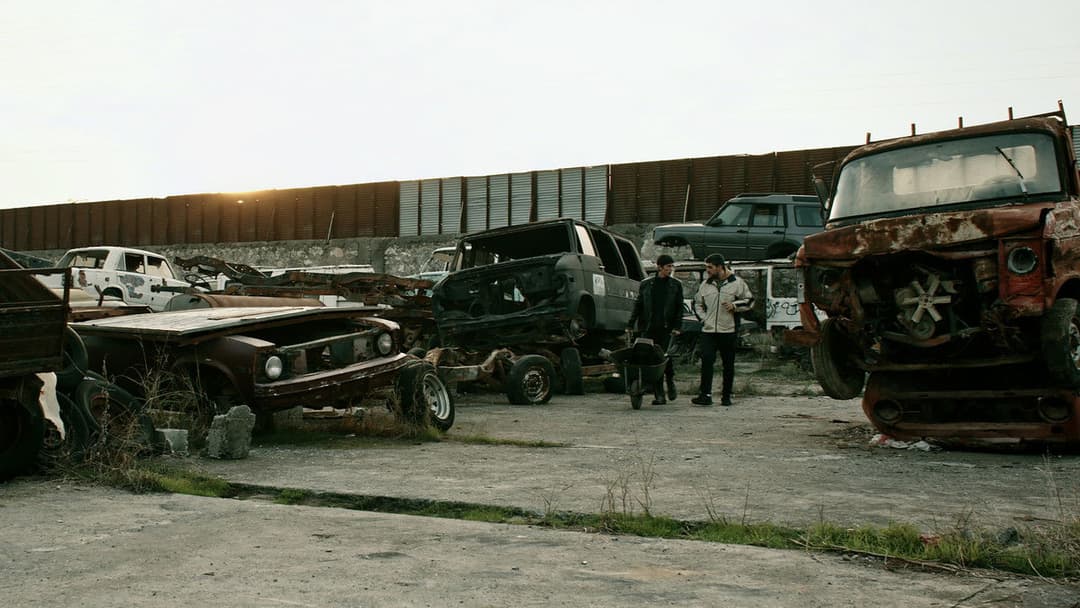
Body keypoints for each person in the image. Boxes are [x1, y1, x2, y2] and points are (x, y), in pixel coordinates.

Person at [692, 253, 754, 406]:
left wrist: (735, 306)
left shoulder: (737, 283)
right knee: (707, 360)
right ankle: (705, 395)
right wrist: (704, 319)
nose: (707, 270)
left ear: (720, 267)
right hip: (709, 331)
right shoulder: (705, 284)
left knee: (728, 364)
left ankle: (726, 396)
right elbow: (697, 303)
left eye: (710, 267)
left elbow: (749, 300)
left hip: (728, 330)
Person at [628, 254, 683, 405]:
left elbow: (679, 308)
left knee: (664, 358)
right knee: (653, 360)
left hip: (667, 328)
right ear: (659, 267)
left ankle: (670, 381)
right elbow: (639, 305)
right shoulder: (646, 284)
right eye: (668, 267)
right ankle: (659, 395)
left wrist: (677, 327)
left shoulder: (675, 285)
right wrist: (630, 324)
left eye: (672, 266)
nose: (670, 269)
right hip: (649, 328)